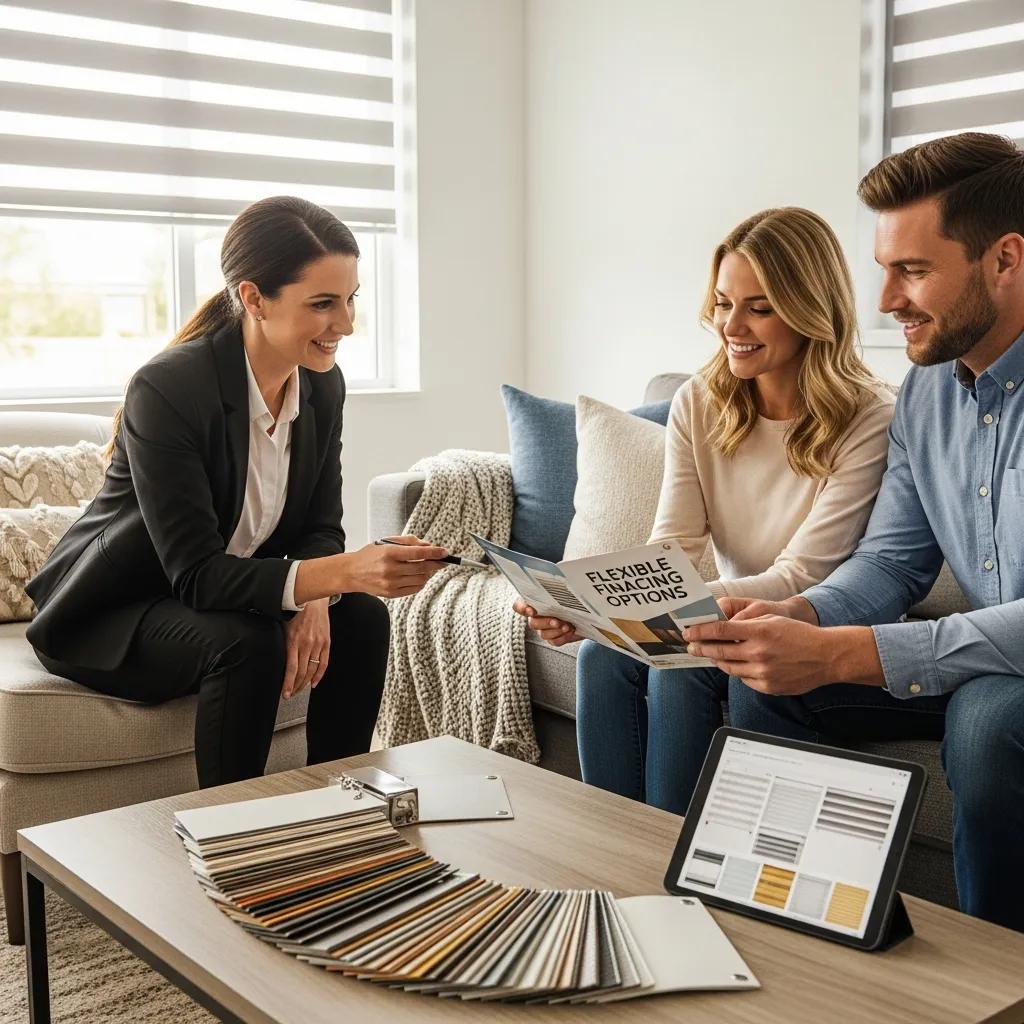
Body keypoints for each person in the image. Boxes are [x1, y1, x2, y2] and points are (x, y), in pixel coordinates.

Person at [682, 133, 1024, 933]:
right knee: (764, 680)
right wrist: (800, 618)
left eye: (913, 270)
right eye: (885, 269)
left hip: (1000, 683)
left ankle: (996, 985)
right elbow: (891, 563)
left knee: (986, 720)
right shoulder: (927, 394)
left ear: (1005, 259)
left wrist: (850, 651)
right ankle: (789, 936)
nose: (884, 301)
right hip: (978, 661)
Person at [26, 196, 450, 788]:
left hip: (219, 595)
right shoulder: (170, 388)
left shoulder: (321, 387)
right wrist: (341, 573)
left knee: (362, 618)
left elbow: (320, 526)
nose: (347, 325)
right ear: (254, 299)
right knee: (248, 642)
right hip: (120, 610)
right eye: (323, 304)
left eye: (351, 300)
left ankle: (348, 814)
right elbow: (196, 575)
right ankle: (238, 838)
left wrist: (321, 595)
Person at [515, 207, 895, 813]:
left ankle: (673, 869)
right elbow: (675, 547)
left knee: (682, 666)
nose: (730, 326)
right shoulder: (699, 398)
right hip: (721, 605)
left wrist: (685, 611)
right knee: (598, 653)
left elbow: (804, 574)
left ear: (809, 310)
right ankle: (610, 857)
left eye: (759, 307)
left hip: (802, 618)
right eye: (722, 303)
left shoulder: (869, 416)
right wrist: (589, 611)